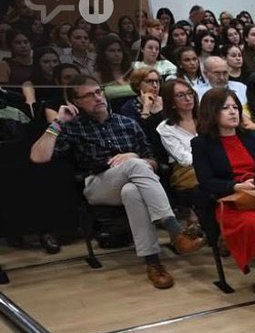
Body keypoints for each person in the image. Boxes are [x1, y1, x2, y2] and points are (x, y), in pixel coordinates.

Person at [30, 76, 204, 288]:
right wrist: (58, 122)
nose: (97, 98)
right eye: (89, 95)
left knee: (133, 191)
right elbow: (38, 157)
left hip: (135, 181)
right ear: (77, 102)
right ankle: (175, 230)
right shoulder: (73, 128)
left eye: (98, 92)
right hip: (98, 184)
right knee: (135, 165)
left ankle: (153, 263)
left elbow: (153, 161)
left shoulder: (127, 123)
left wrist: (135, 157)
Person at [192, 88, 255, 273]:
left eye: (235, 107)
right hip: (231, 201)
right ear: (212, 112)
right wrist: (235, 186)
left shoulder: (253, 137)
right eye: (225, 108)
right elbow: (206, 181)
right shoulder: (201, 144)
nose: (233, 112)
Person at [119, 67, 165, 134]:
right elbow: (137, 133)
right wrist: (146, 109)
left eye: (157, 81)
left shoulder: (168, 101)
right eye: (149, 81)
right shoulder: (129, 107)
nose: (155, 85)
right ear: (137, 85)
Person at [94, 35, 134, 99]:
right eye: (112, 51)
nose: (117, 54)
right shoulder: (98, 76)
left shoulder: (132, 71)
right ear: (103, 54)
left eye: (119, 50)